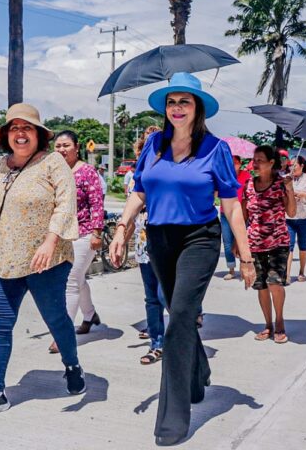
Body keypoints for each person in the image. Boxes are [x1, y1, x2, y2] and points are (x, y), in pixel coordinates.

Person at [109, 72, 255, 446]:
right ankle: (200, 369)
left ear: (198, 108)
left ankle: (173, 418)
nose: (177, 108)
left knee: (177, 323)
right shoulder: (154, 144)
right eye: (172, 102)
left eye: (184, 102)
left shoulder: (215, 148)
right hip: (159, 239)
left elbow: (232, 205)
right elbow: (139, 191)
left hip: (199, 239)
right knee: (179, 313)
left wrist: (247, 255)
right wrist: (122, 230)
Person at [0, 103, 84, 419]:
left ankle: (71, 364)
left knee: (56, 319)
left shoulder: (54, 163)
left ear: (38, 134)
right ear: (6, 136)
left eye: (26, 127)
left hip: (47, 260)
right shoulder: (1, 166)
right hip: (5, 262)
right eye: (14, 128)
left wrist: (50, 241)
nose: (20, 133)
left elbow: (66, 205)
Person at [51, 130, 105, 343]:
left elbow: (96, 204)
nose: (62, 149)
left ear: (77, 147)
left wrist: (97, 233)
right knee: (78, 279)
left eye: (66, 145)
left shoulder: (87, 171)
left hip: (84, 234)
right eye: (58, 146)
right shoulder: (54, 171)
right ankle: (90, 315)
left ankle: (61, 336)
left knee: (71, 281)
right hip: (61, 234)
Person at [242, 145, 296, 343]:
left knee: (274, 282)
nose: (255, 164)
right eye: (254, 160)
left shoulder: (281, 184)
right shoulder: (249, 185)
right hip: (254, 243)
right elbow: (244, 215)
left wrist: (289, 190)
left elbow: (291, 212)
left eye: (260, 160)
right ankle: (268, 324)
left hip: (278, 242)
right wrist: (239, 244)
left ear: (272, 163)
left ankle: (280, 321)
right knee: (261, 286)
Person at [126, 126, 167, 364]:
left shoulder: (172, 171)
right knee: (151, 297)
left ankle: (183, 334)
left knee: (167, 296)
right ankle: (157, 342)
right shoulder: (137, 176)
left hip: (169, 242)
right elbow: (131, 210)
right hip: (143, 241)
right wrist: (122, 237)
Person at [285, 155, 306, 282]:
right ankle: (287, 275)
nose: (292, 167)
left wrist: (303, 195)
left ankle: (301, 271)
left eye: (295, 165)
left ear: (302, 166)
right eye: (290, 165)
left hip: (305, 217)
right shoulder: (286, 178)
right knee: (289, 246)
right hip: (289, 217)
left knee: (303, 246)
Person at [220, 154, 251, 280]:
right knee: (227, 242)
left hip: (242, 212)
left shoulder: (246, 176)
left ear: (240, 163)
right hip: (224, 212)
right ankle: (231, 269)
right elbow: (217, 192)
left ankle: (244, 266)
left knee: (242, 240)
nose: (233, 164)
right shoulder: (223, 176)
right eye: (231, 162)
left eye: (236, 162)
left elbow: (250, 192)